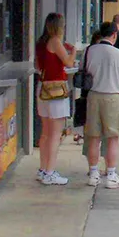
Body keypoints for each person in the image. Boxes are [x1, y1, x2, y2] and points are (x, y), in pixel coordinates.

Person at [84, 21, 119, 189]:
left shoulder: (89, 51)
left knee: (93, 137)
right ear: (114, 35)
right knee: (112, 138)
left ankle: (93, 173)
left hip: (93, 96)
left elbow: (85, 71)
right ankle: (111, 175)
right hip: (112, 96)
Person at [34, 13, 75, 185]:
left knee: (45, 133)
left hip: (42, 88)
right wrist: (72, 51)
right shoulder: (56, 42)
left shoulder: (40, 43)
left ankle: (43, 169)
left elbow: (37, 66)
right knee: (55, 134)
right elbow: (69, 62)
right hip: (57, 90)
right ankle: (50, 172)